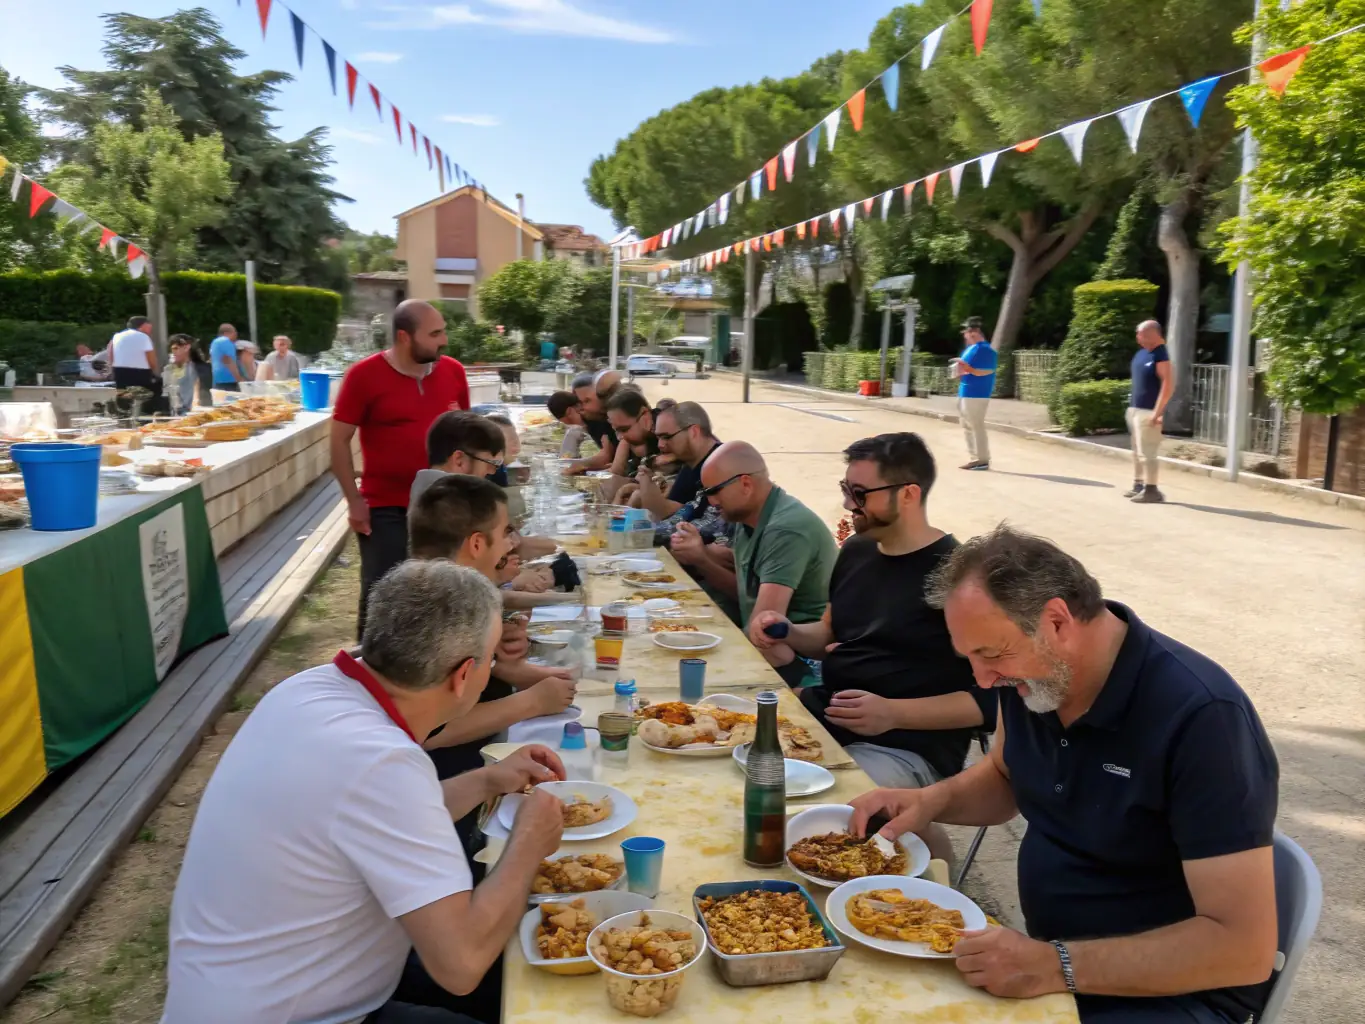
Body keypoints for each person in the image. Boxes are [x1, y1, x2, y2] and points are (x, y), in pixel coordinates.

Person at [849, 525, 1279, 1024]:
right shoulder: (1034, 679)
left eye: (991, 654)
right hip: (1056, 961)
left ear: (1056, 621)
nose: (984, 680)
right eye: (969, 657)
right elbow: (1006, 778)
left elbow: (1242, 948)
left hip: (1170, 997)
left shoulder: (1203, 717)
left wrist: (1056, 967)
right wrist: (929, 801)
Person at [162, 561, 567, 1024]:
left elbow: (376, 817)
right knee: (507, 976)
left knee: (514, 970)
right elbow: (461, 964)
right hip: (292, 1012)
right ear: (463, 675)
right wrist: (528, 843)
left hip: (246, 992)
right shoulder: (383, 760)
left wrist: (485, 780)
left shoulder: (308, 689)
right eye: (492, 657)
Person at [750, 433, 991, 860]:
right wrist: (785, 631)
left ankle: (931, 870)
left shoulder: (958, 578)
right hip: (827, 718)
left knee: (828, 811)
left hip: (906, 748)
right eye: (846, 490)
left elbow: (991, 705)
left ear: (909, 494)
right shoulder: (859, 549)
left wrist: (893, 713)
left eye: (859, 493)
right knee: (742, 765)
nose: (848, 505)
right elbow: (829, 634)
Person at [407, 475, 577, 781]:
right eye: (505, 534)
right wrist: (532, 701)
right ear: (476, 544)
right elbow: (430, 731)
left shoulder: (454, 592)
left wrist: (503, 664)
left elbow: (488, 670)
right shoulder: (438, 609)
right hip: (450, 774)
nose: (512, 545)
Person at [332, 299, 471, 640]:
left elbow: (468, 436)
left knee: (440, 591)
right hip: (385, 506)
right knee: (382, 591)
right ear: (405, 337)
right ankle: (368, 671)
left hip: (443, 505)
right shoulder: (364, 376)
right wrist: (354, 502)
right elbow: (338, 442)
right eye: (435, 333)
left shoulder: (453, 372)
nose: (444, 340)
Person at [682, 441, 837, 687]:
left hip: (800, 662)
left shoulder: (785, 529)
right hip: (773, 648)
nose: (710, 502)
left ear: (745, 484)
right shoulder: (749, 518)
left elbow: (761, 627)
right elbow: (749, 593)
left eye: (715, 491)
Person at [409, 411, 506, 509]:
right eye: (492, 463)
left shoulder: (423, 487)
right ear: (459, 460)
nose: (492, 471)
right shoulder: (452, 506)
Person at [1127, 320, 1173, 504]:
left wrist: (1158, 412)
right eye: (1138, 334)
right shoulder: (1143, 353)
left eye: (1143, 335)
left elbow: (1168, 384)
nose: (1139, 338)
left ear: (1155, 334)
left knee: (1148, 453)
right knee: (1137, 451)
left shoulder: (1161, 355)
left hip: (1148, 410)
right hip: (1135, 408)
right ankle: (1139, 485)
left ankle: (1152, 490)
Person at [951, 316, 997, 471]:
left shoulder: (985, 350)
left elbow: (986, 371)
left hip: (977, 393)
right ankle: (975, 458)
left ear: (974, 332)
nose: (965, 334)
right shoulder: (972, 349)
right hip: (967, 391)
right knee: (968, 425)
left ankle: (981, 459)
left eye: (967, 331)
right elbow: (968, 369)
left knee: (976, 425)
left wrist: (967, 368)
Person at [604, 389, 662, 505]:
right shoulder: (637, 435)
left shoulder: (666, 430)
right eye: (616, 431)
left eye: (624, 429)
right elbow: (616, 472)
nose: (620, 437)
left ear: (645, 415)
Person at [560, 372, 618, 474]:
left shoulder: (617, 419)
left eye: (587, 401)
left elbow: (606, 456)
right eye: (579, 402)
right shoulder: (592, 419)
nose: (581, 408)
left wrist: (576, 465)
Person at [108, 315, 160, 391]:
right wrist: (152, 372)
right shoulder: (144, 337)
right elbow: (152, 361)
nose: (150, 331)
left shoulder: (117, 336)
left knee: (123, 396)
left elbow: (111, 355)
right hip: (140, 373)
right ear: (144, 325)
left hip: (119, 372)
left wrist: (113, 370)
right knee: (146, 396)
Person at [546, 390, 590, 458]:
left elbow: (564, 461)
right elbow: (566, 459)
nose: (583, 408)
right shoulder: (575, 431)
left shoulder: (573, 431)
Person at [164, 335, 197, 413]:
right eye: (172, 349)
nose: (173, 352)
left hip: (190, 411)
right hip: (175, 411)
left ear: (187, 348)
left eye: (176, 348)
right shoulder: (169, 369)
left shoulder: (194, 367)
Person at [209, 323, 244, 392]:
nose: (236, 334)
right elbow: (228, 361)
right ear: (226, 333)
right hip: (228, 381)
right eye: (234, 331)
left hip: (217, 380)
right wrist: (240, 380)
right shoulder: (226, 341)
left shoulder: (215, 342)